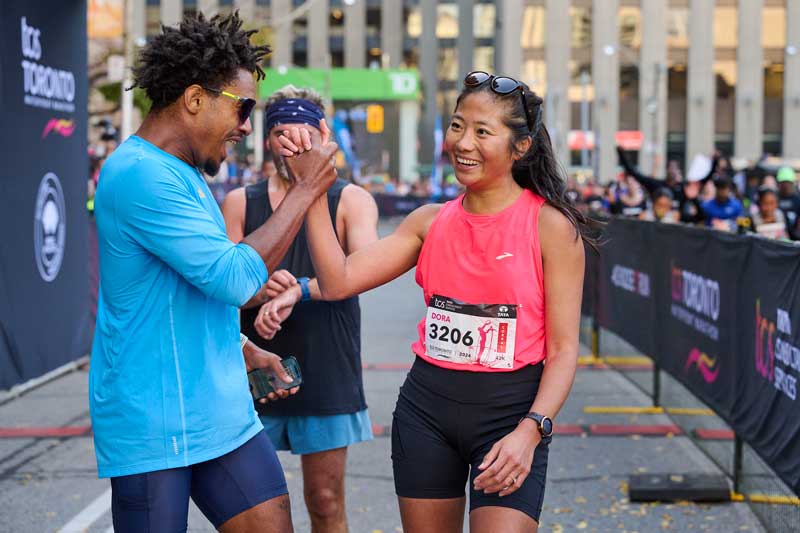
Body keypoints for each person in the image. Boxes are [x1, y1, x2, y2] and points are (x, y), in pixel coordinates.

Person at [263, 71, 589, 532]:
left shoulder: (551, 227)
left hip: (511, 415)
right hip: (427, 412)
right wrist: (312, 188)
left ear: (521, 146)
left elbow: (563, 350)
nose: (463, 142)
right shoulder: (427, 221)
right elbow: (338, 283)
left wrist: (531, 430)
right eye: (457, 126)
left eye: (482, 132)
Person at [90, 13, 338, 533]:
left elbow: (190, 288)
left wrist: (243, 349)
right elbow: (233, 279)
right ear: (195, 99)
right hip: (154, 423)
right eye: (242, 107)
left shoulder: (183, 173)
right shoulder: (138, 174)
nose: (247, 125)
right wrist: (305, 189)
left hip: (220, 412)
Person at [221, 85, 379, 533]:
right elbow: (222, 287)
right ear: (268, 139)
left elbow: (363, 271)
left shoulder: (351, 199)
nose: (294, 142)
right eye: (282, 132)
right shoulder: (239, 202)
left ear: (321, 136)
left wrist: (298, 291)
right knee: (252, 509)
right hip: (254, 367)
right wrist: (259, 289)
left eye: (304, 132)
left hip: (326, 361)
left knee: (325, 501)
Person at [776, 166, 800, 240]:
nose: (785, 185)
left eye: (788, 182)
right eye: (783, 182)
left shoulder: (798, 200)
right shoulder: (773, 199)